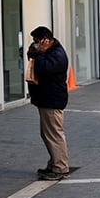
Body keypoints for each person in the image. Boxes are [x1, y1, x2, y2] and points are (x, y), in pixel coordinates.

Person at [27, 26, 71, 179]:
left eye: (37, 42)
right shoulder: (49, 51)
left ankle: (60, 167)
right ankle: (54, 163)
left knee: (54, 134)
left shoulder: (57, 55)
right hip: (45, 98)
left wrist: (39, 53)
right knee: (47, 134)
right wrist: (32, 52)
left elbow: (42, 70)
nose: (35, 45)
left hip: (52, 100)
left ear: (46, 40)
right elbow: (34, 62)